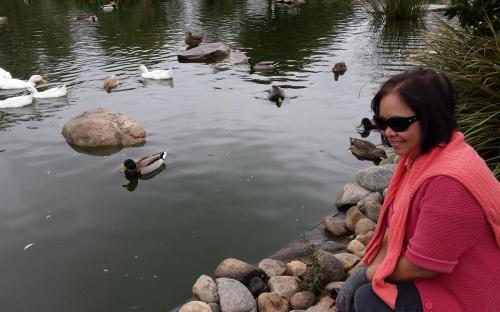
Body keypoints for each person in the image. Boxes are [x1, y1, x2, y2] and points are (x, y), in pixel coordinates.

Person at [336, 67, 500, 312]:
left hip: (471, 295)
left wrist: (365, 276)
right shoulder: (423, 155)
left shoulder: (449, 183)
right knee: (366, 289)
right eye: (382, 122)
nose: (389, 132)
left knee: (369, 299)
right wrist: (365, 272)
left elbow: (423, 266)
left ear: (432, 117)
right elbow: (395, 230)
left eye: (399, 123)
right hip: (450, 275)